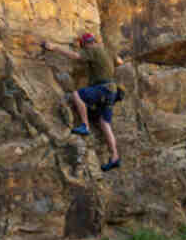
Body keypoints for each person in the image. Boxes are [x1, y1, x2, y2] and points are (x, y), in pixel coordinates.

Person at [40, 33, 124, 171]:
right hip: (112, 90)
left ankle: (85, 126)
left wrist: (55, 47)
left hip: (102, 88)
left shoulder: (93, 50)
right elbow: (120, 62)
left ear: (86, 44)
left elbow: (75, 56)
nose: (82, 48)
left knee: (76, 94)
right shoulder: (107, 51)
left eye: (82, 46)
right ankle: (115, 156)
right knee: (104, 123)